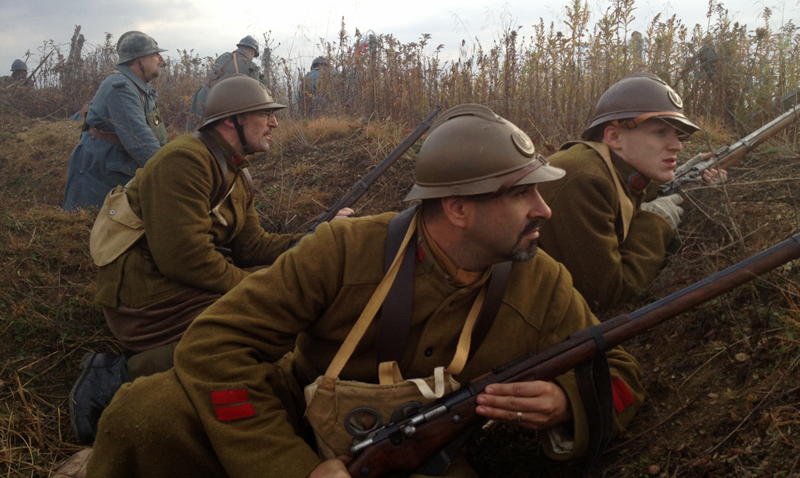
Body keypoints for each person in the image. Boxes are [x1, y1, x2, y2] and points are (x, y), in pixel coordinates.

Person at [87, 103, 644, 478]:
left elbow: (615, 368)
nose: (544, 210)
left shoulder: (542, 281)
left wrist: (565, 403)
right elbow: (213, 346)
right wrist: (294, 468)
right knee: (148, 412)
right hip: (294, 424)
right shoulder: (344, 249)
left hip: (423, 463)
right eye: (522, 195)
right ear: (457, 209)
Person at [68, 75, 353, 445]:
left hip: (175, 282)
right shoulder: (185, 160)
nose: (275, 123)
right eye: (264, 114)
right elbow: (185, 260)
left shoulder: (237, 171)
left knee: (282, 298)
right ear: (231, 121)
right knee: (255, 322)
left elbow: (253, 247)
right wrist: (258, 291)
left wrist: (316, 238)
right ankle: (117, 374)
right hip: (143, 298)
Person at [537, 72, 726, 314]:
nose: (677, 145)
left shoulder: (608, 166)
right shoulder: (584, 180)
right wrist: (657, 221)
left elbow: (632, 191)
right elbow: (607, 294)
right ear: (614, 136)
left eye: (677, 135)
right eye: (660, 132)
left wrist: (691, 177)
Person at [62, 31, 169, 212]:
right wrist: (171, 170)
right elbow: (140, 141)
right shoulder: (121, 87)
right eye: (154, 54)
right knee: (91, 228)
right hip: (100, 172)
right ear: (139, 60)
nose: (160, 59)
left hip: (115, 164)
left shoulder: (138, 86)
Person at [186, 35, 263, 130]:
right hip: (219, 104)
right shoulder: (251, 66)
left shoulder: (224, 56)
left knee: (195, 132)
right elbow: (256, 94)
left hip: (202, 96)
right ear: (252, 52)